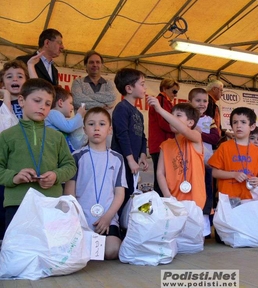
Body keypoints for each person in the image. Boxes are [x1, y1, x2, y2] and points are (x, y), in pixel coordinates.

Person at [0, 78, 76, 230]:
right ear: (21, 100)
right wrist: (15, 177)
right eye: (37, 100)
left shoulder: (57, 136)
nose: (42, 107)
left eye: (48, 104)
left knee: (47, 251)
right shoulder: (6, 135)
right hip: (17, 202)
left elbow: (70, 166)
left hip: (50, 202)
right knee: (19, 250)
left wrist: (55, 175)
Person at [65, 107, 127, 260]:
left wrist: (107, 218)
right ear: (84, 129)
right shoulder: (77, 156)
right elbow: (69, 193)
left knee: (111, 251)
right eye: (91, 124)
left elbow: (120, 193)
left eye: (102, 124)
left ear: (110, 129)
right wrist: (77, 219)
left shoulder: (117, 158)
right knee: (81, 251)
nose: (97, 128)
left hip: (107, 218)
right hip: (82, 218)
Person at [147, 98, 208, 234]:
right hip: (173, 199)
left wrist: (160, 110)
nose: (172, 119)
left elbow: (184, 131)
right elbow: (160, 173)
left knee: (193, 238)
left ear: (191, 122)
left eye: (178, 116)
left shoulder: (195, 137)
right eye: (171, 115)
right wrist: (168, 196)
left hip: (194, 199)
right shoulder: (166, 145)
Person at [208, 107, 258, 200]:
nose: (238, 125)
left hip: (250, 198)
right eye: (235, 122)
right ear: (231, 126)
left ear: (252, 126)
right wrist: (234, 175)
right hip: (228, 198)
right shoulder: (224, 147)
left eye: (243, 122)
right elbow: (214, 172)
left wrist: (257, 180)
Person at [111, 68, 148, 209]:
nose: (145, 88)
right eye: (142, 84)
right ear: (129, 88)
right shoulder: (121, 108)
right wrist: (130, 159)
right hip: (123, 162)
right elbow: (122, 135)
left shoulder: (138, 113)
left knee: (132, 194)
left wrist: (143, 155)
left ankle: (128, 225)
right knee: (123, 195)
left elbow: (142, 136)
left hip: (133, 163)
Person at [188, 87, 220, 233]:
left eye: (205, 101)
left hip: (206, 162)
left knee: (207, 189)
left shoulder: (209, 120)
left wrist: (200, 135)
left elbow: (216, 137)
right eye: (198, 100)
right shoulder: (186, 120)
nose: (202, 104)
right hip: (189, 162)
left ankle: (206, 225)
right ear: (190, 102)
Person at [148, 78, 180, 196]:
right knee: (161, 178)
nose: (175, 95)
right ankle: (161, 205)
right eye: (174, 91)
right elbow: (164, 123)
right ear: (164, 89)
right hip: (160, 145)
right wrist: (180, 129)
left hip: (162, 145)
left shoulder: (164, 101)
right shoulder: (160, 100)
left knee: (163, 177)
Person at [45, 86, 86, 152]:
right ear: (60, 103)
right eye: (70, 103)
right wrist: (79, 115)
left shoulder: (58, 117)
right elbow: (69, 127)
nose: (72, 107)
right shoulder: (53, 113)